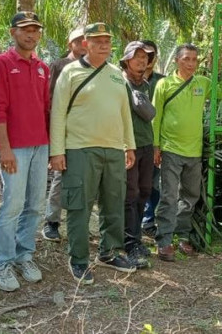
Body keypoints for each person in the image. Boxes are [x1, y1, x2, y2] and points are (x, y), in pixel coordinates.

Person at [49, 22, 137, 284]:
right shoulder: (71, 71)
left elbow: (124, 113)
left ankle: (108, 252)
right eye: (97, 40)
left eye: (107, 40)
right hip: (79, 149)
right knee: (79, 205)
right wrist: (57, 151)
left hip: (113, 149)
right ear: (85, 43)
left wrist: (129, 145)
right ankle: (78, 259)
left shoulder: (115, 74)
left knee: (113, 202)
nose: (103, 44)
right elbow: (58, 112)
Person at [0, 12, 50, 292]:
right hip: (15, 147)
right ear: (13, 33)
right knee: (12, 206)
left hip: (40, 145)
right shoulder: (0, 64)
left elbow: (46, 107)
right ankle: (1, 262)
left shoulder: (41, 67)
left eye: (36, 30)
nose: (31, 35)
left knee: (35, 205)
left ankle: (24, 255)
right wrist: (5, 148)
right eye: (25, 30)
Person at [152, 43, 210, 262]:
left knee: (190, 195)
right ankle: (164, 241)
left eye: (195, 59)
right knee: (168, 195)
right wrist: (156, 146)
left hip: (194, 150)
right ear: (177, 60)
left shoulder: (203, 83)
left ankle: (182, 236)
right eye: (186, 59)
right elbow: (155, 117)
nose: (191, 64)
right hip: (171, 149)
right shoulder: (164, 84)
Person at [42, 27, 86, 242]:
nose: (84, 43)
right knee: (61, 176)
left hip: (87, 131)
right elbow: (51, 101)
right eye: (79, 40)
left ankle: (78, 224)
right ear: (70, 44)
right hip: (64, 130)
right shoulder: (60, 65)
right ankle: (52, 221)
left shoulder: (97, 67)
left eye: (87, 39)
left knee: (83, 178)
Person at [120, 41, 156, 268]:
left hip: (146, 144)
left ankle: (136, 238)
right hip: (129, 146)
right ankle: (128, 243)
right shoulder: (119, 83)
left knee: (144, 191)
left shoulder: (145, 84)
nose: (142, 61)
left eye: (145, 57)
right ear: (126, 60)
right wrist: (125, 146)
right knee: (129, 194)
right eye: (137, 57)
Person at [140, 40, 165, 236]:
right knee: (133, 184)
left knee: (153, 184)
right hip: (133, 140)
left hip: (154, 141)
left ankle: (148, 221)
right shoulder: (126, 79)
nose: (146, 58)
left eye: (150, 54)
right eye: (142, 54)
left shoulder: (162, 81)